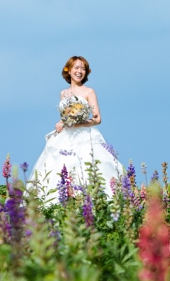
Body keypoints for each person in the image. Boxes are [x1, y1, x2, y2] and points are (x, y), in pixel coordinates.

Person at [27, 55, 123, 201]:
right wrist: (61, 123)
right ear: (69, 70)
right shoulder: (63, 93)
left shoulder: (89, 91)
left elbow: (97, 119)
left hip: (85, 135)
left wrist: (79, 123)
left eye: (83, 69)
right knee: (58, 168)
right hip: (65, 137)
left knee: (87, 168)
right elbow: (65, 116)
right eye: (76, 68)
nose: (80, 71)